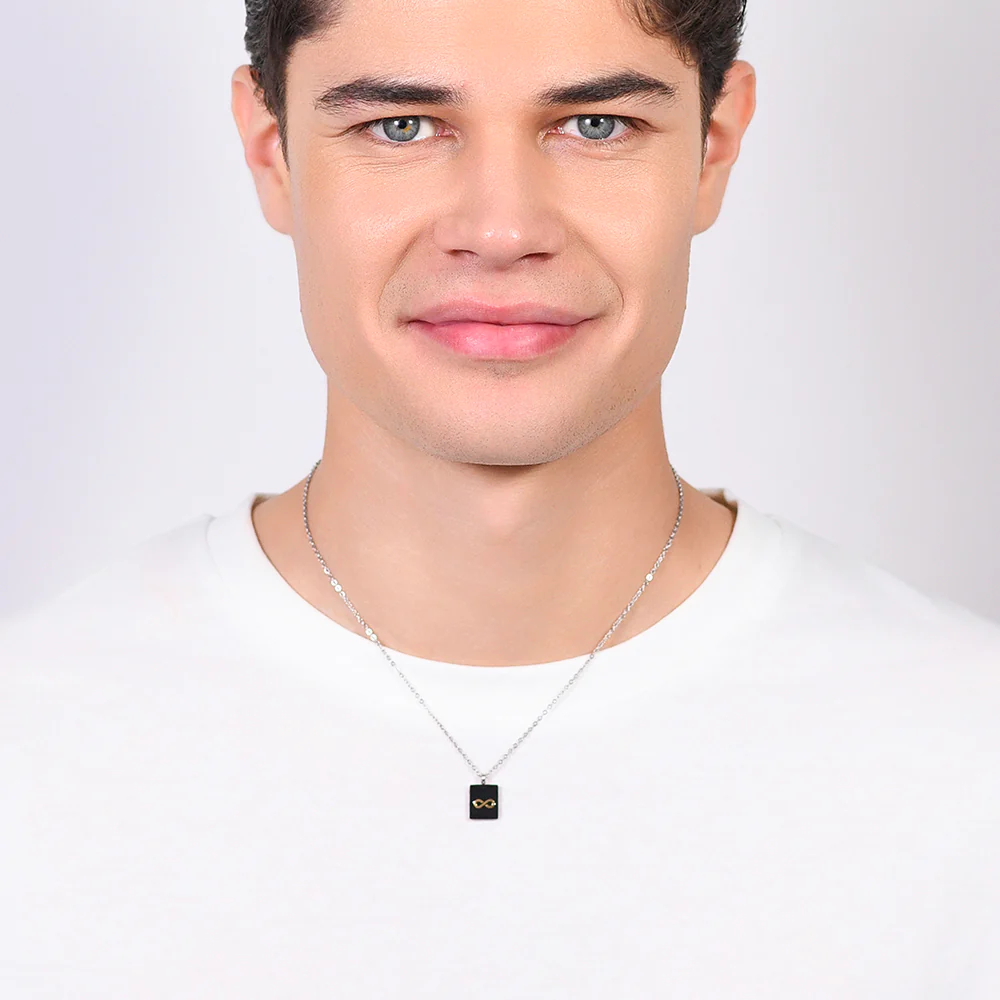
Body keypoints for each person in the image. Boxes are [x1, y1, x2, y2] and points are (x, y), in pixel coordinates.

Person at [2, 0, 998, 995]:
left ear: (713, 147)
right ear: (272, 152)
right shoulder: (34, 750)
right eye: (401, 126)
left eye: (596, 124)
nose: (502, 230)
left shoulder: (964, 752)